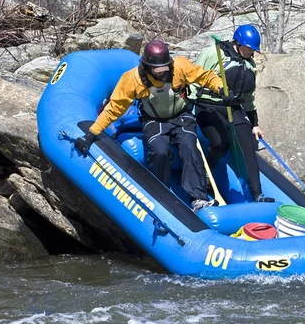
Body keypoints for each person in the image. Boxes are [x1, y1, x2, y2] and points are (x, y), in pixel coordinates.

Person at [74, 40, 230, 213]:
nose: (163, 73)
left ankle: (198, 197)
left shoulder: (179, 66)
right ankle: (161, 195)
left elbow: (205, 76)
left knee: (188, 145)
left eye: (166, 68)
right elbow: (114, 108)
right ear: (148, 67)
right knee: (159, 150)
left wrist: (221, 88)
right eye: (158, 70)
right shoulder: (132, 79)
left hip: (181, 116)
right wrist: (91, 134)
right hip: (153, 120)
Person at [191, 24, 274, 203]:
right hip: (208, 105)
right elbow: (194, 76)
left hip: (234, 107)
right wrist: (187, 104)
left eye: (253, 50)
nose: (251, 53)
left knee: (249, 145)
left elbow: (249, 97)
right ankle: (206, 173)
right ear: (238, 42)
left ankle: (257, 194)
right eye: (249, 48)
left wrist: (255, 123)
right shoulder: (214, 54)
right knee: (220, 143)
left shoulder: (249, 64)